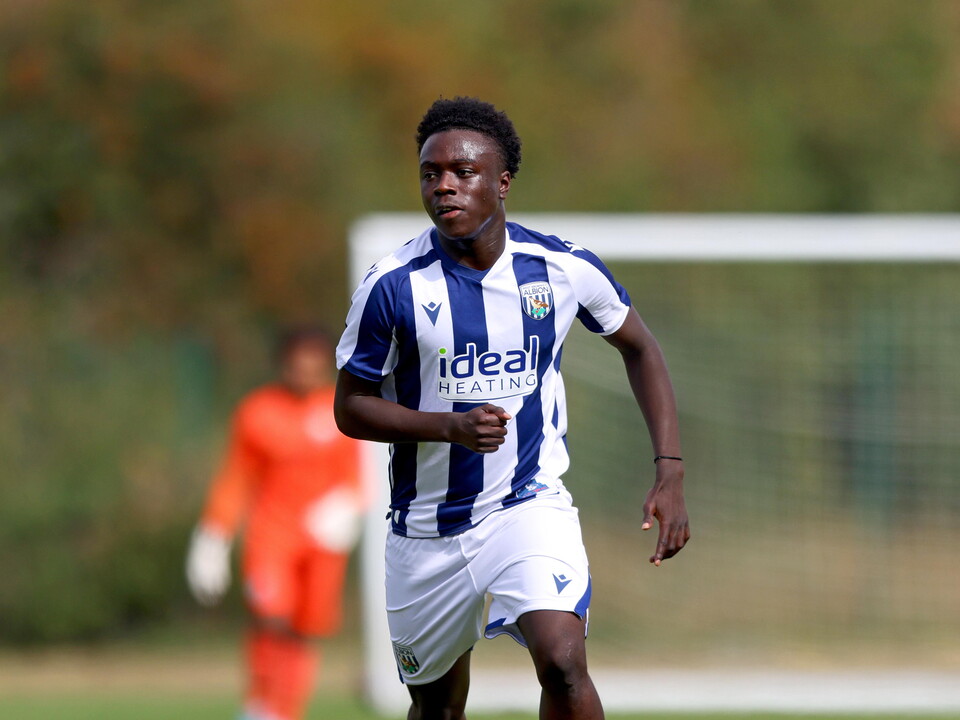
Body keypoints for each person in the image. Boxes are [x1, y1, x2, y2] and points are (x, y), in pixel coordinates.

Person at [334, 97, 690, 720]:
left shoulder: (559, 267)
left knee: (562, 660)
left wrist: (670, 468)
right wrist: (449, 426)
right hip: (425, 531)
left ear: (501, 184)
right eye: (430, 172)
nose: (444, 184)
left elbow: (641, 346)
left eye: (462, 172)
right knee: (439, 707)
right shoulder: (392, 285)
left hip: (526, 506)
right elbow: (350, 409)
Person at [186, 326, 366, 720]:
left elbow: (360, 474)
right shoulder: (258, 412)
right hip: (272, 536)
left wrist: (351, 505)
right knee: (271, 618)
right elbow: (236, 478)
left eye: (314, 367)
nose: (305, 374)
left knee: (303, 631)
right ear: (283, 365)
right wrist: (214, 535)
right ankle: (262, 706)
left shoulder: (341, 411)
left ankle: (285, 709)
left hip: (322, 543)